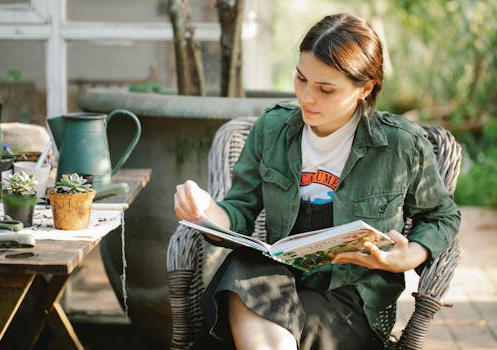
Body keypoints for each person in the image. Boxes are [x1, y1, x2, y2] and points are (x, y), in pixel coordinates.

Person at [174, 12, 460, 350]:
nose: (307, 97)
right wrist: (205, 211)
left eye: (325, 89)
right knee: (243, 266)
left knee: (236, 325)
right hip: (278, 284)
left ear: (365, 89)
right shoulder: (273, 129)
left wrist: (409, 255)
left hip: (352, 302)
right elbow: (239, 210)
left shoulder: (401, 145)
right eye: (300, 79)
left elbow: (442, 217)